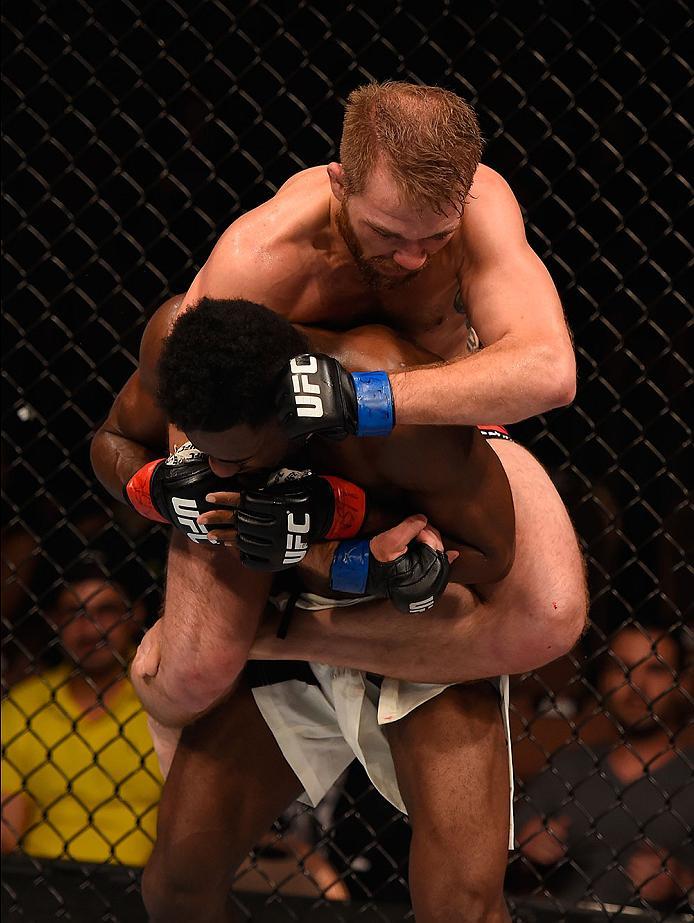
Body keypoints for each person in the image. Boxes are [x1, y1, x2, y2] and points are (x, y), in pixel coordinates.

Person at [90, 81, 587, 734]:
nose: (412, 258)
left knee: (550, 612)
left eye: (435, 236)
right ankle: (276, 636)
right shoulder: (257, 259)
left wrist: (363, 398)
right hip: (277, 457)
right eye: (387, 232)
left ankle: (287, 636)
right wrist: (195, 493)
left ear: (462, 198)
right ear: (339, 182)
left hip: (435, 440)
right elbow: (203, 436)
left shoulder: (483, 205)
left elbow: (550, 371)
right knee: (191, 674)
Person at [140, 297, 516, 922]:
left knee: (462, 908)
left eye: (235, 457)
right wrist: (152, 483)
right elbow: (113, 440)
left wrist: (392, 564)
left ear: (286, 416)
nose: (217, 473)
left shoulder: (396, 405)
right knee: (176, 887)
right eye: (202, 454)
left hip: (406, 634)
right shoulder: (190, 362)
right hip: (293, 628)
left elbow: (494, 553)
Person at [514, 621, 694, 912]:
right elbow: (501, 858)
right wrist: (526, 849)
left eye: (655, 669)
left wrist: (682, 883)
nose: (636, 685)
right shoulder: (568, 768)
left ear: (682, 682)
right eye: (622, 669)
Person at [1, 562, 162, 866]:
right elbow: (7, 832)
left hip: (143, 885)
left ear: (134, 615)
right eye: (75, 613)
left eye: (106, 611)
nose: (90, 628)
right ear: (53, 621)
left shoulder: (167, 702)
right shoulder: (23, 706)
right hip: (38, 881)